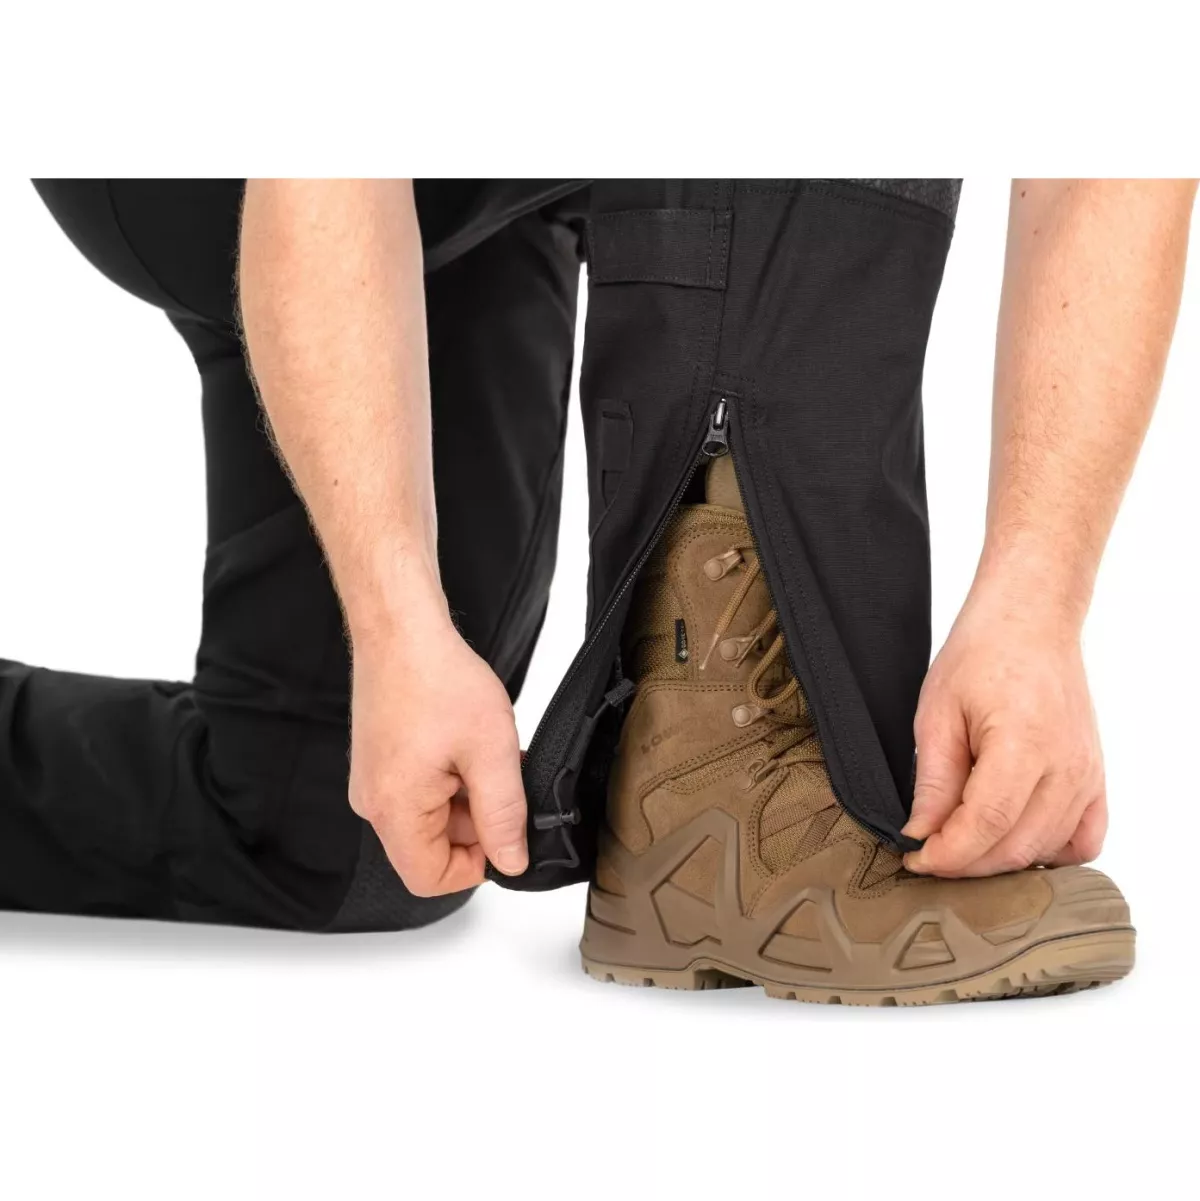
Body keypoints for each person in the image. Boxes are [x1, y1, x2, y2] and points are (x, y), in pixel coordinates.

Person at [3, 180, 1193, 1002]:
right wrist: (395, 617)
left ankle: (702, 789)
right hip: (225, 131)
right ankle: (724, 764)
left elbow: (1119, 97)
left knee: (335, 830)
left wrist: (1038, 602)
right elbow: (319, 115)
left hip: (508, 156)